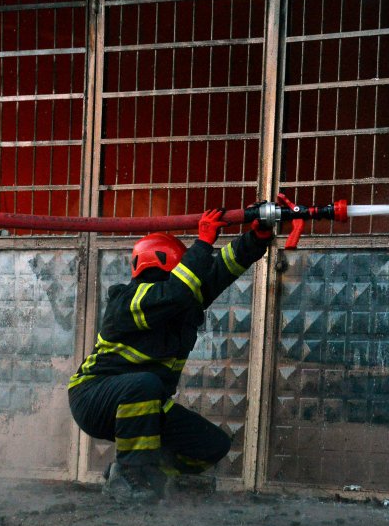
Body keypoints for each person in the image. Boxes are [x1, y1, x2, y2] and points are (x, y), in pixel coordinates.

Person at [68, 206, 273, 503]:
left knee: (213, 445)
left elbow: (221, 269)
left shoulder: (181, 301)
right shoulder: (128, 301)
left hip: (145, 401)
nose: (185, 276)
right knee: (145, 383)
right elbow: (175, 293)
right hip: (93, 398)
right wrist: (203, 242)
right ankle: (129, 474)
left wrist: (256, 237)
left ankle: (154, 477)